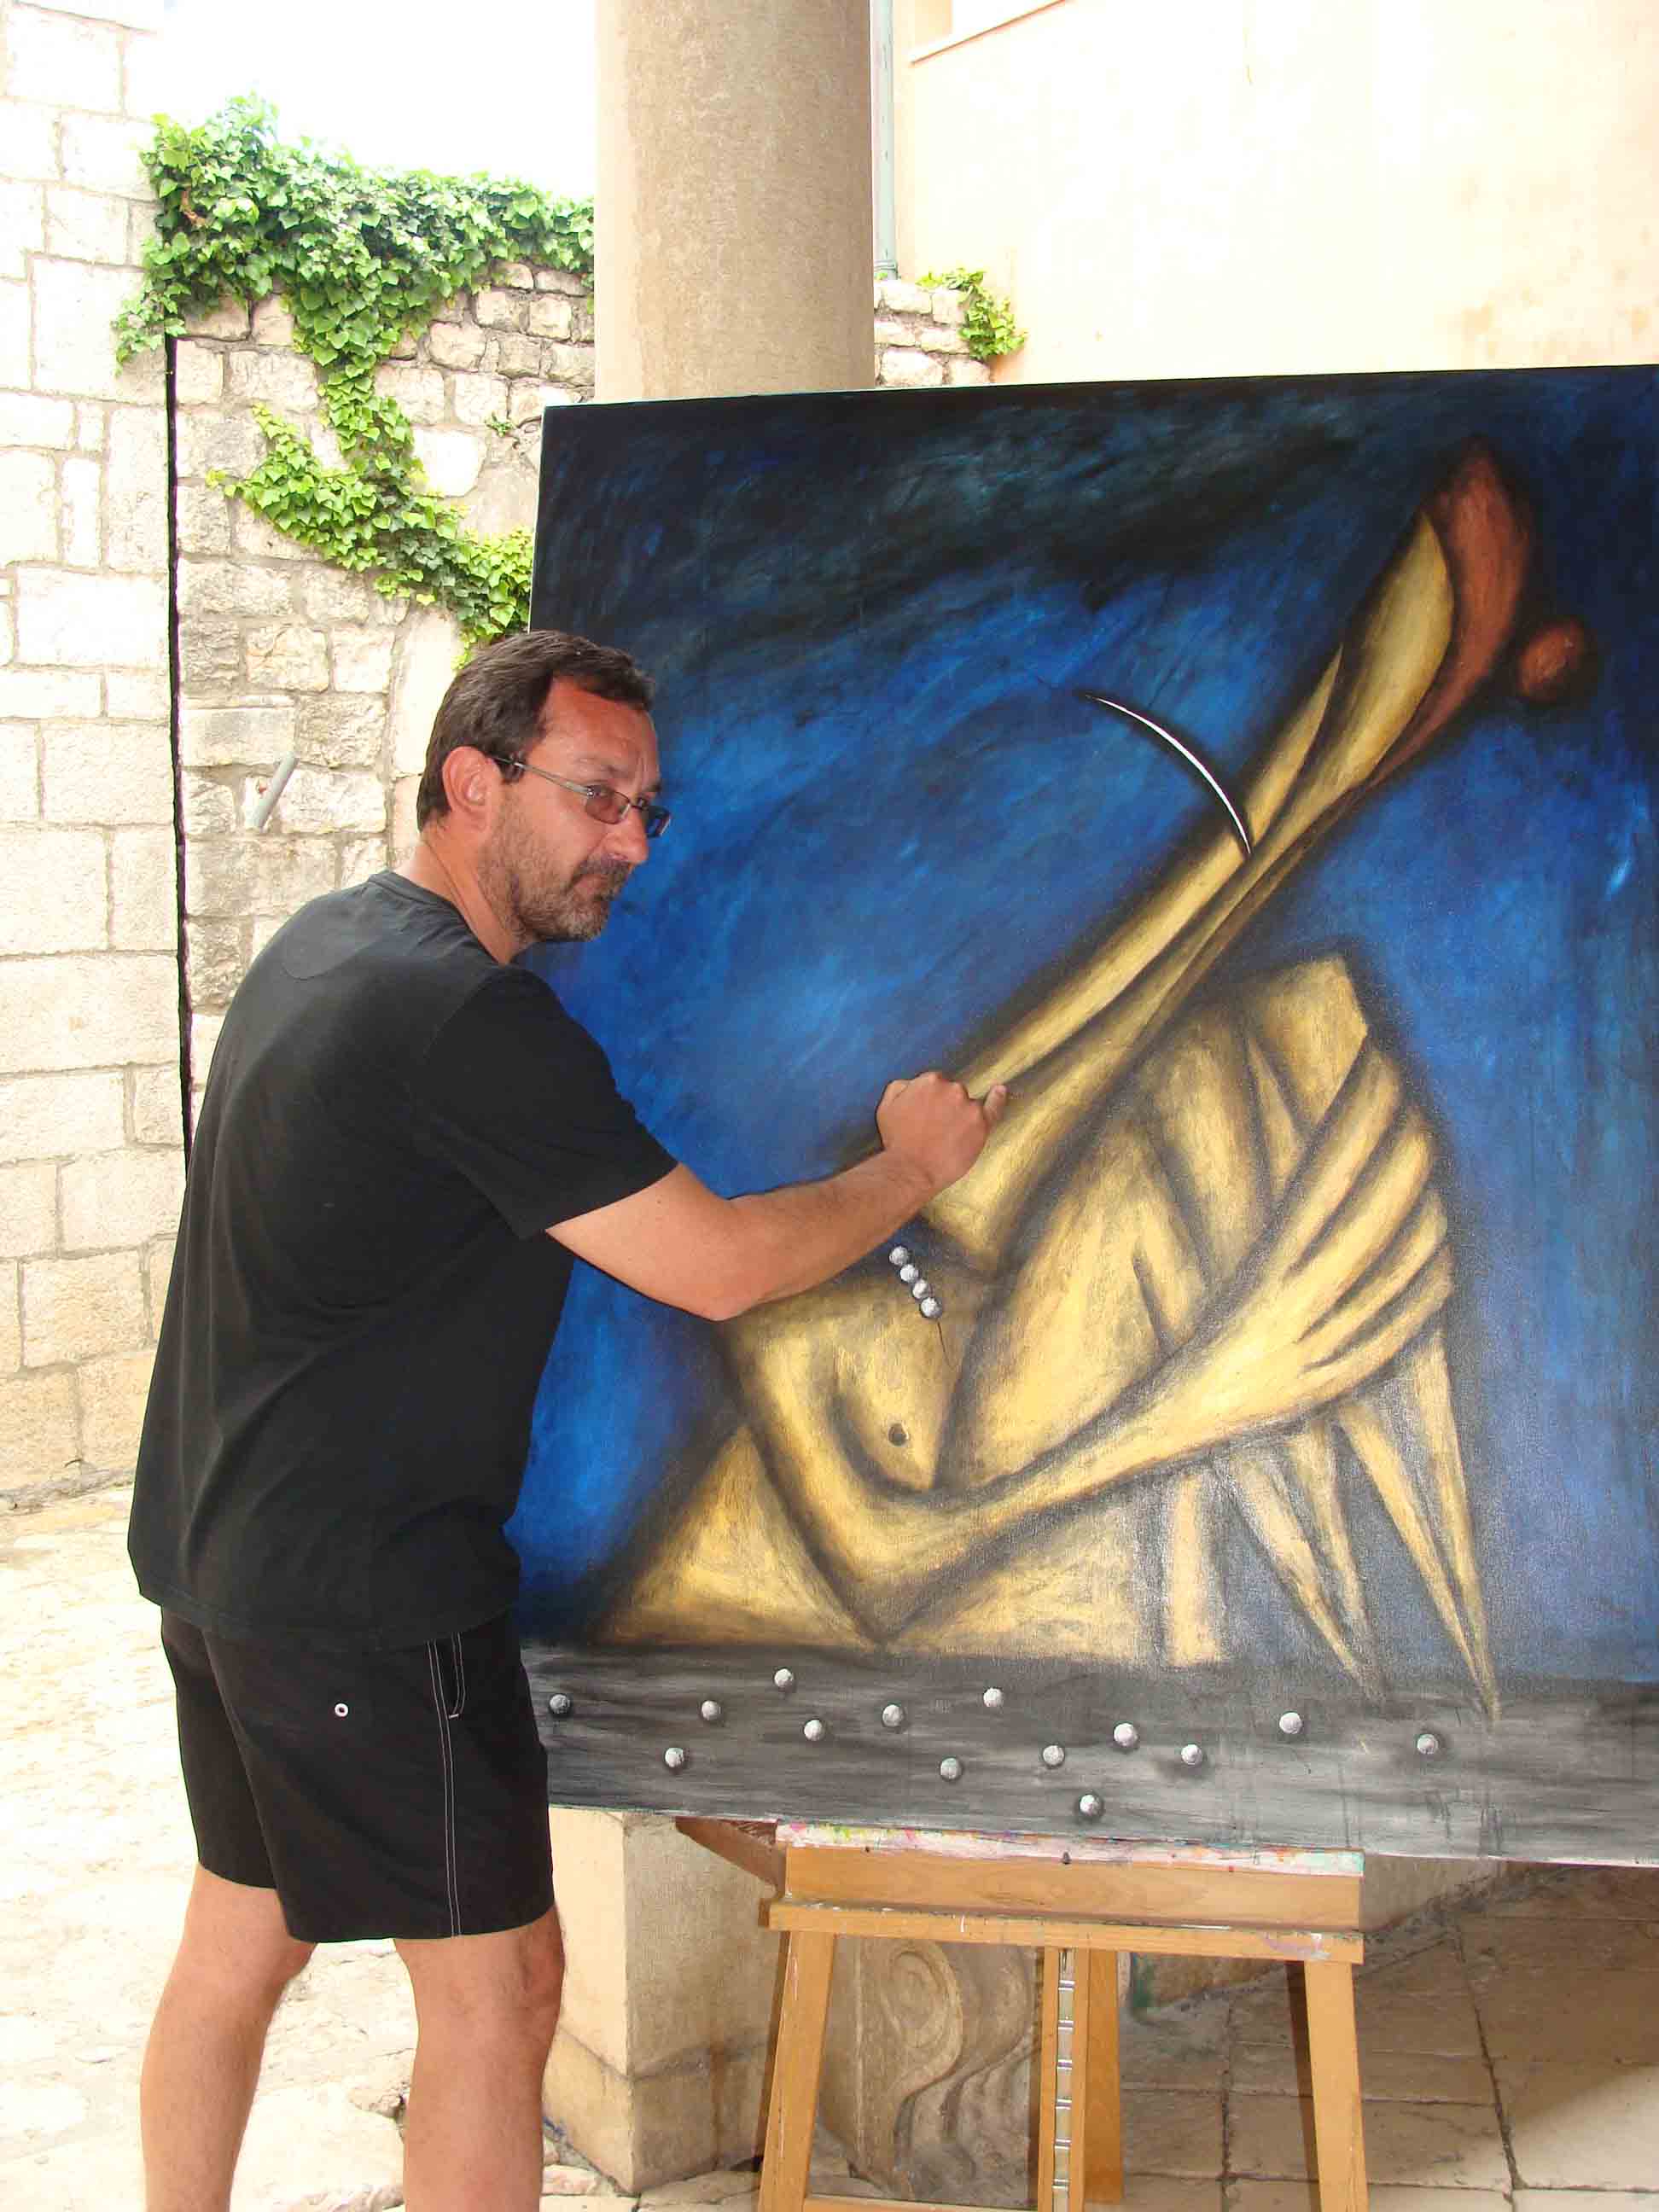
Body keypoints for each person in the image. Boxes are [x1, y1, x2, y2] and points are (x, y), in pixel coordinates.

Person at [128, 627, 1005, 2212]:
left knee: (239, 1939)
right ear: (473, 783)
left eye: (647, 809)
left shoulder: (326, 942)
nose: (632, 844)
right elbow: (721, 1268)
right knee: (501, 1994)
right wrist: (912, 1170)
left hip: (223, 1563)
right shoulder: (470, 1023)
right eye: (598, 797)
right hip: (367, 1602)